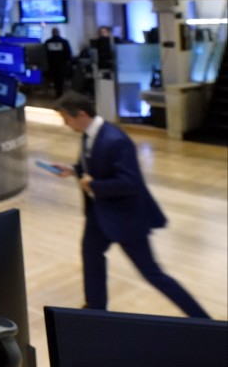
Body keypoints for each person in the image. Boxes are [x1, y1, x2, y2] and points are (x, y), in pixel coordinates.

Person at [52, 92, 210, 318]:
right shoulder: (89, 134)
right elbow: (94, 165)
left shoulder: (115, 140)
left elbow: (130, 182)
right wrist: (74, 169)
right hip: (100, 214)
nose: (65, 124)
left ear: (82, 114)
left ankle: (203, 319)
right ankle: (96, 312)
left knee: (152, 273)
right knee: (91, 256)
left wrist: (94, 185)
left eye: (66, 118)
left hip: (126, 217)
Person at [44, 27, 72, 97]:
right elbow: (68, 54)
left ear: (52, 33)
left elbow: (44, 54)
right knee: (60, 80)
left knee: (54, 79)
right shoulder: (64, 42)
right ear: (59, 33)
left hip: (51, 65)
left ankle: (57, 92)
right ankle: (59, 93)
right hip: (61, 65)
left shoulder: (48, 42)